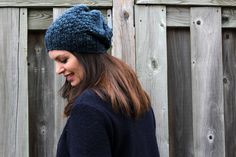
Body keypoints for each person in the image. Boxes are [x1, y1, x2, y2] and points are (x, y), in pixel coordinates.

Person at [45, 4, 159, 157]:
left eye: (64, 60)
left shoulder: (88, 109)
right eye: (56, 62)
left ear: (86, 54)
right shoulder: (137, 99)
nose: (58, 70)